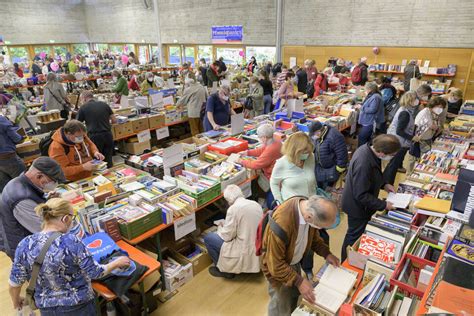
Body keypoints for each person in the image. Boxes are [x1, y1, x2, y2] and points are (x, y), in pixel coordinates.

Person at [9, 198, 130, 315]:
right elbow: (95, 273)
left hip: (46, 307)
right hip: (78, 305)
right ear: (66, 218)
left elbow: (14, 283)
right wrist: (116, 263)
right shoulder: (71, 241)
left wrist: (16, 301)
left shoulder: (25, 244)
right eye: (72, 218)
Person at [261, 195, 340, 315]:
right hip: (278, 271)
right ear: (309, 217)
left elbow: (313, 238)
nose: (319, 229)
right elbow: (275, 265)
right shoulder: (282, 222)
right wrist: (299, 281)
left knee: (293, 299)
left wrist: (326, 253)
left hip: (293, 262)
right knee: (280, 306)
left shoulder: (307, 207)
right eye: (321, 227)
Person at [341, 134, 400, 261]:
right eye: (392, 155)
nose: (392, 158)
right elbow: (361, 194)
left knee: (356, 234)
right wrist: (384, 205)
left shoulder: (370, 150)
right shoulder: (364, 163)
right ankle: (345, 261)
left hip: (360, 204)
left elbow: (373, 176)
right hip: (356, 207)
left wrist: (384, 184)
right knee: (353, 236)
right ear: (382, 153)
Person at [0, 157, 66, 259]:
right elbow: (45, 230)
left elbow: (33, 203)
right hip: (28, 252)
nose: (55, 184)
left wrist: (46, 200)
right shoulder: (21, 199)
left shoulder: (20, 182)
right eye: (53, 180)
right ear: (39, 176)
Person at [203, 185, 262, 278]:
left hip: (244, 249)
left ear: (228, 201)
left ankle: (224, 271)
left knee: (209, 238)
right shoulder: (255, 204)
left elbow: (227, 236)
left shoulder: (233, 209)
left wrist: (220, 228)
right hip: (258, 246)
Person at [239, 124, 282, 209]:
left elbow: (255, 165)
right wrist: (248, 153)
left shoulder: (271, 149)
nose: (259, 138)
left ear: (264, 138)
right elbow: (262, 150)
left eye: (259, 137)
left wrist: (241, 161)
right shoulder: (275, 141)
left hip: (274, 181)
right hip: (277, 177)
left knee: (272, 203)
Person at [270, 132, 316, 204]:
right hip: (292, 207)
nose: (307, 155)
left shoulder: (310, 157)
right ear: (294, 151)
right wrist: (280, 203)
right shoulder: (282, 163)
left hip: (311, 204)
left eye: (308, 152)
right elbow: (274, 183)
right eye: (304, 152)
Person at [383, 91, 418, 184]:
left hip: (399, 141)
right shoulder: (405, 113)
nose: (416, 101)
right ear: (410, 101)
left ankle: (385, 182)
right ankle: (387, 183)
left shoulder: (404, 110)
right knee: (393, 165)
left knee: (393, 163)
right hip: (399, 142)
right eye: (415, 99)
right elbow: (399, 131)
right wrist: (412, 137)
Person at [77, 91, 116, 168]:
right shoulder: (104, 104)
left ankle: (100, 178)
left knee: (97, 159)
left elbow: (77, 124)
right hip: (108, 135)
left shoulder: (83, 108)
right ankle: (110, 175)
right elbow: (114, 120)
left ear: (84, 99)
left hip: (94, 136)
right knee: (108, 158)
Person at [407, 97, 447, 173]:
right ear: (433, 105)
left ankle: (417, 172)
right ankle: (409, 175)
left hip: (427, 138)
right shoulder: (425, 113)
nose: (440, 109)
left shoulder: (433, 113)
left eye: (442, 108)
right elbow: (429, 125)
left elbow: (435, 125)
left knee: (423, 158)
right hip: (419, 139)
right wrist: (436, 127)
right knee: (413, 158)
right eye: (439, 107)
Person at [309, 121, 348, 190]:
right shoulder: (320, 135)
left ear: (318, 131)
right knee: (320, 187)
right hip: (321, 168)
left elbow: (342, 156)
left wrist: (337, 171)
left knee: (327, 189)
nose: (313, 137)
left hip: (331, 170)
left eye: (313, 135)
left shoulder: (335, 136)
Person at [357, 82, 383, 147]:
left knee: (362, 138)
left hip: (370, 122)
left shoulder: (375, 97)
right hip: (369, 121)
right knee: (366, 139)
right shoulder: (373, 95)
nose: (365, 90)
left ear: (370, 89)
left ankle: (362, 153)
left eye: (365, 89)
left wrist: (361, 107)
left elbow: (372, 110)